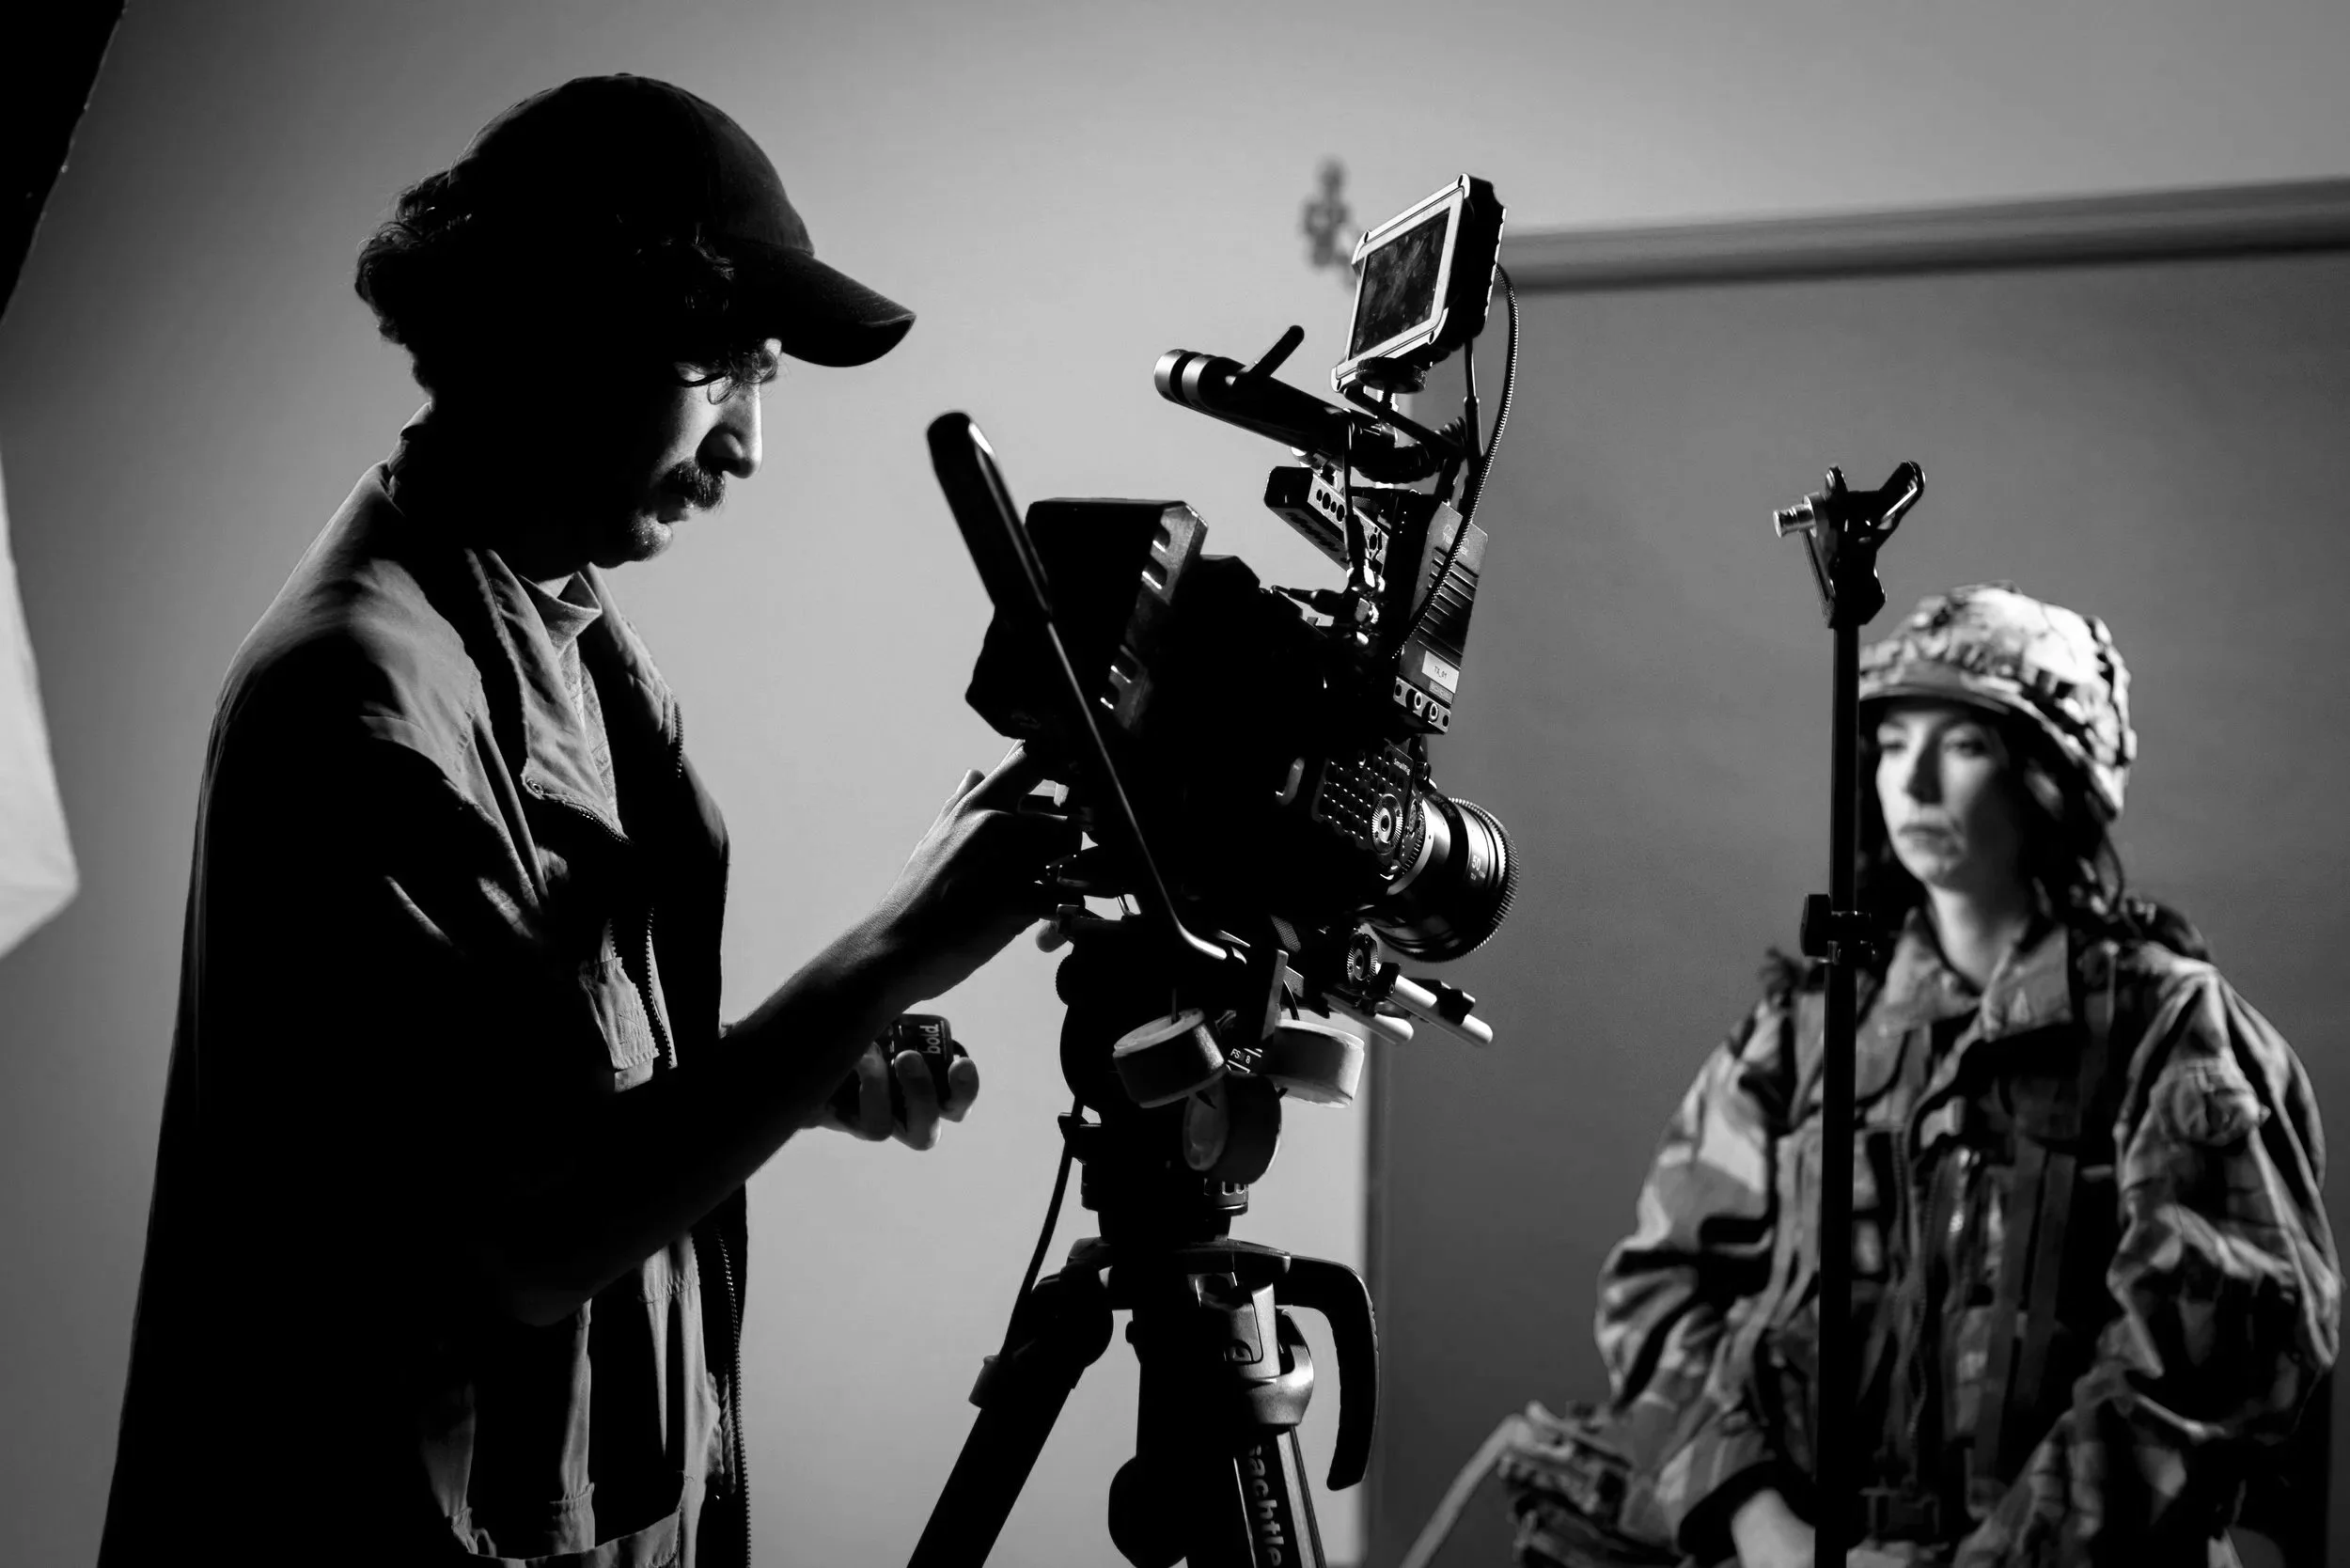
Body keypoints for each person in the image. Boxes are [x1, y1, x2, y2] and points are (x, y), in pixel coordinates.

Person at [97, 75, 1070, 1566]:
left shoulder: (565, 643)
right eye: (718, 368)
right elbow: (534, 1234)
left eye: (768, 383)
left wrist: (803, 1071)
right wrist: (894, 949)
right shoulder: (366, 694)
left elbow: (537, 1100)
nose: (748, 443)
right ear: (560, 334)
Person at [1498, 585, 2338, 1568]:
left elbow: (2206, 1367)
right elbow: (1659, 1289)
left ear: (2048, 774)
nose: (1917, 783)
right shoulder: (1807, 1031)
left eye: (1966, 745)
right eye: (1895, 744)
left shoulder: (2165, 1027)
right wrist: (1763, 1528)